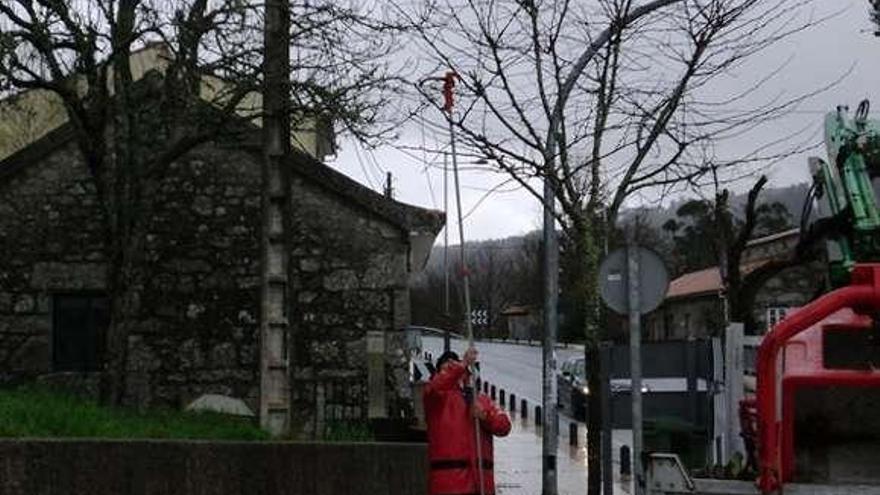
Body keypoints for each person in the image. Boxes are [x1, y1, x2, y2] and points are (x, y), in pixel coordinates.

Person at [423, 346, 511, 495]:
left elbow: (504, 426)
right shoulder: (435, 399)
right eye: (446, 369)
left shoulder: (480, 399)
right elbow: (438, 386)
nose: (451, 373)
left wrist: (485, 417)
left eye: (453, 367)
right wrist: (462, 364)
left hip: (481, 484)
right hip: (450, 484)